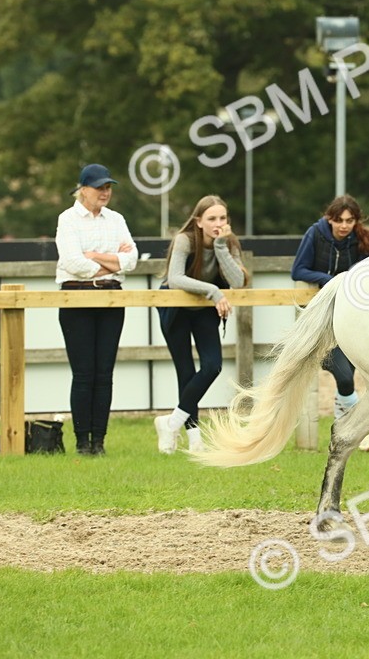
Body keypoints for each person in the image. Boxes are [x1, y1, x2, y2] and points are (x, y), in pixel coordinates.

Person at [55, 163, 139, 455]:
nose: (105, 192)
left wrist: (95, 257)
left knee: (104, 372)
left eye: (108, 187)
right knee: (83, 373)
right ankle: (81, 441)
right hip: (76, 298)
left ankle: (99, 441)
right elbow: (71, 262)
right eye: (100, 187)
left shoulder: (116, 219)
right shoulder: (67, 219)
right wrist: (110, 264)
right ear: (83, 190)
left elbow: (132, 259)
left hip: (111, 299)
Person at [154, 195, 249, 454]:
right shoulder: (184, 240)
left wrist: (221, 247)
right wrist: (214, 292)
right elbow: (175, 279)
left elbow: (238, 281)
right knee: (185, 372)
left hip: (205, 310)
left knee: (212, 366)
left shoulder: (228, 243)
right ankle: (195, 440)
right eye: (211, 219)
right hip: (175, 309)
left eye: (222, 218)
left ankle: (170, 423)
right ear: (198, 221)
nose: (218, 223)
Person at [292, 194, 369, 451]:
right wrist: (333, 279)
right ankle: (360, 431)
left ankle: (344, 427)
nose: (344, 225)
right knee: (342, 375)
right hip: (322, 318)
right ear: (329, 219)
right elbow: (298, 270)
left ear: (356, 221)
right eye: (339, 220)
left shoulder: (362, 240)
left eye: (349, 220)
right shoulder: (315, 234)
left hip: (354, 317)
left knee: (348, 375)